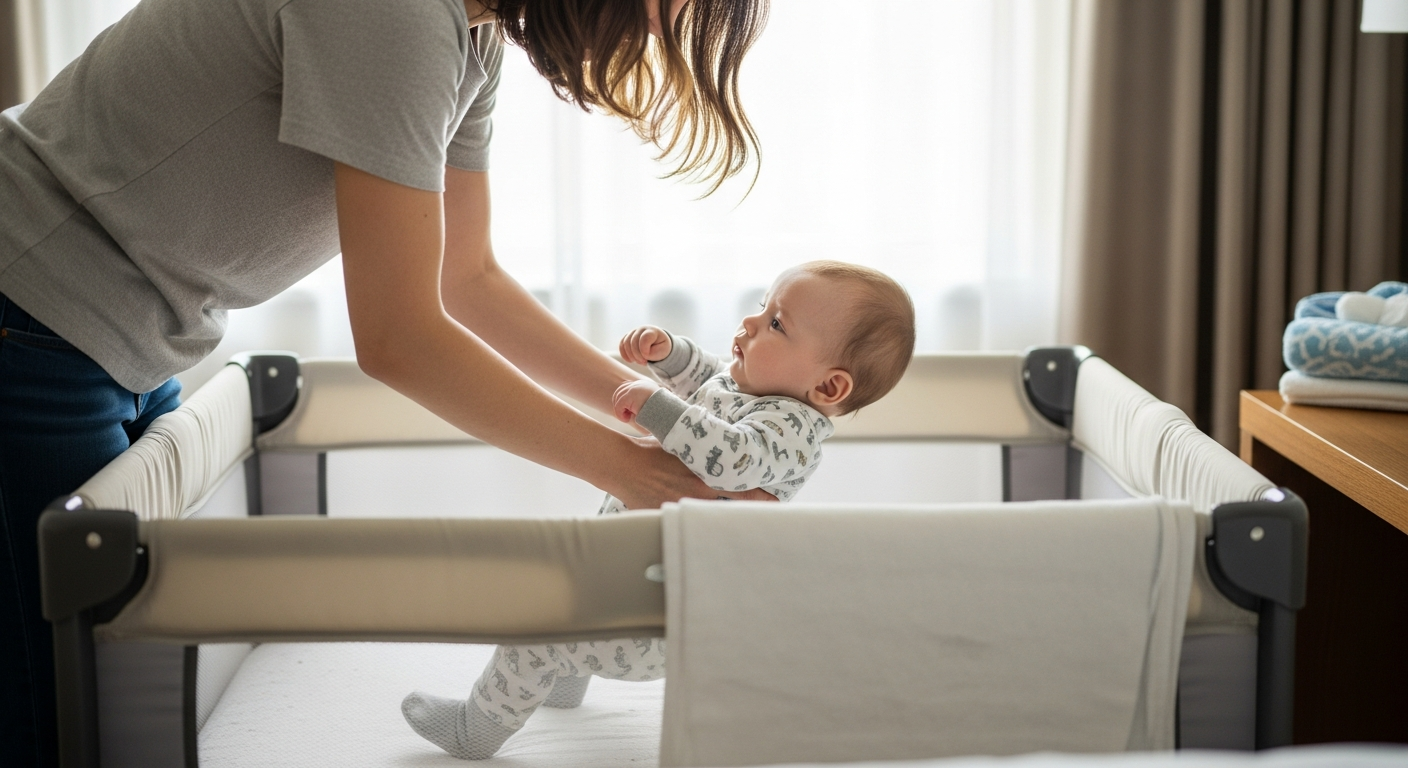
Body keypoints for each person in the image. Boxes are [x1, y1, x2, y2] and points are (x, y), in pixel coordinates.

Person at [0, 0, 772, 763]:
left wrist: (657, 419)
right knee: (54, 716)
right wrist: (640, 473)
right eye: (676, 7)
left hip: (117, 338)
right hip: (33, 302)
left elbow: (467, 278)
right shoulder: (393, 15)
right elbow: (400, 337)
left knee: (97, 688)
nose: (664, 29)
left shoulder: (472, 40)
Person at [400, 261, 917, 760]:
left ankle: (475, 730)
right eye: (762, 307)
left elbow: (732, 455)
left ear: (829, 387)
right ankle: (562, 686)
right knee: (572, 587)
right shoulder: (745, 390)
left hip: (656, 613)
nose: (750, 322)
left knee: (537, 635)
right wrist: (669, 356)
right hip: (628, 583)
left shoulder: (793, 434)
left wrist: (656, 405)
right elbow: (707, 378)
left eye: (776, 324)